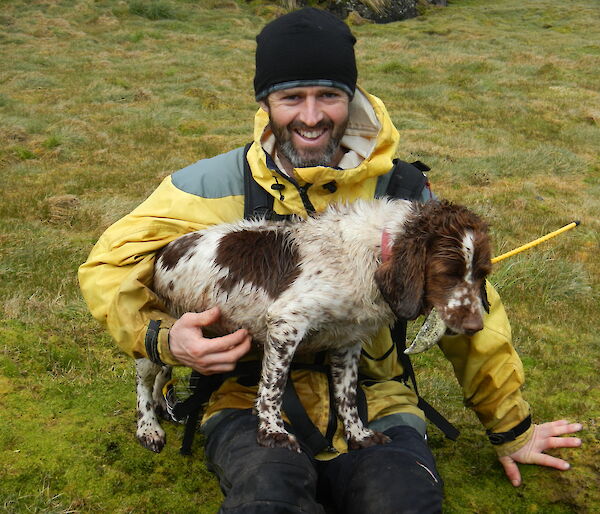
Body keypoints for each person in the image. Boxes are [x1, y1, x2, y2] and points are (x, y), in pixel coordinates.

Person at [79, 8, 582, 513]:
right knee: (267, 499)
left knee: (403, 502)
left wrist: (511, 428)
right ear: (265, 102)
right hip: (240, 392)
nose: (312, 116)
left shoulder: (404, 194)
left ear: (353, 98)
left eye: (329, 95)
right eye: (291, 97)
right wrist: (163, 339)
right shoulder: (209, 185)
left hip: (376, 395)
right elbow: (108, 268)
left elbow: (474, 308)